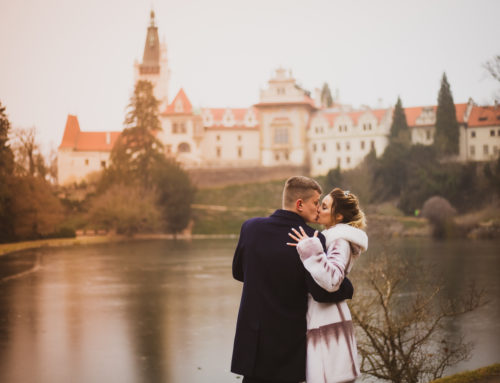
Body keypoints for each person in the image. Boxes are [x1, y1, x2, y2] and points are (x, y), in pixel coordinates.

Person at [231, 176, 354, 383]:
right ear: (299, 204)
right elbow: (322, 293)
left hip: (253, 346)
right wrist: (348, 287)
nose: (318, 209)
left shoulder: (250, 228)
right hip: (287, 350)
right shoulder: (310, 238)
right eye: (316, 203)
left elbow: (238, 272)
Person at [287, 188, 368, 383]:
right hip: (324, 316)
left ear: (338, 216)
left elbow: (333, 280)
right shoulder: (331, 237)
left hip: (328, 321)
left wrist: (310, 249)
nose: (318, 209)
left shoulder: (340, 240)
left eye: (324, 206)